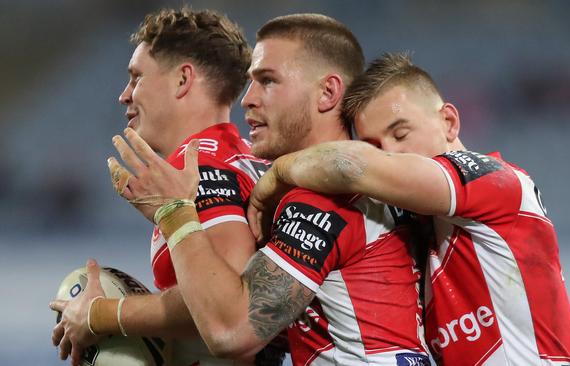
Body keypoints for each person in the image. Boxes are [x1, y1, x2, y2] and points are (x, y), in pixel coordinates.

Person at [109, 14, 432, 366]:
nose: (246, 100)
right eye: (251, 82)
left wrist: (173, 213)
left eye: (267, 81)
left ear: (327, 92)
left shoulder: (324, 201)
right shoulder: (365, 182)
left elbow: (231, 330)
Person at [249, 53, 570, 365]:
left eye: (400, 132)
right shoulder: (422, 232)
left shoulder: (495, 181)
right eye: (374, 146)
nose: (389, 153)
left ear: (448, 122)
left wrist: (275, 176)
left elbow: (352, 167)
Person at [49, 7, 278, 366]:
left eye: (136, 77)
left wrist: (103, 314)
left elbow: (229, 302)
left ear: (183, 79)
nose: (124, 95)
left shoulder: (199, 168)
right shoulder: (244, 157)